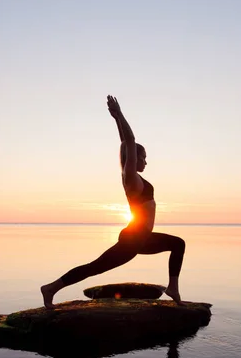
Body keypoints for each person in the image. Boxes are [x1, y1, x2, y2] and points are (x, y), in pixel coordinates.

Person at [40, 95, 185, 308]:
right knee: (94, 267)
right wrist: (120, 114)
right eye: (143, 157)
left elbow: (125, 144)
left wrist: (116, 118)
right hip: (133, 239)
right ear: (134, 159)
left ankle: (173, 287)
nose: (145, 161)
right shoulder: (131, 178)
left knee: (178, 244)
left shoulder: (134, 178)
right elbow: (129, 142)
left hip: (141, 238)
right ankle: (51, 288)